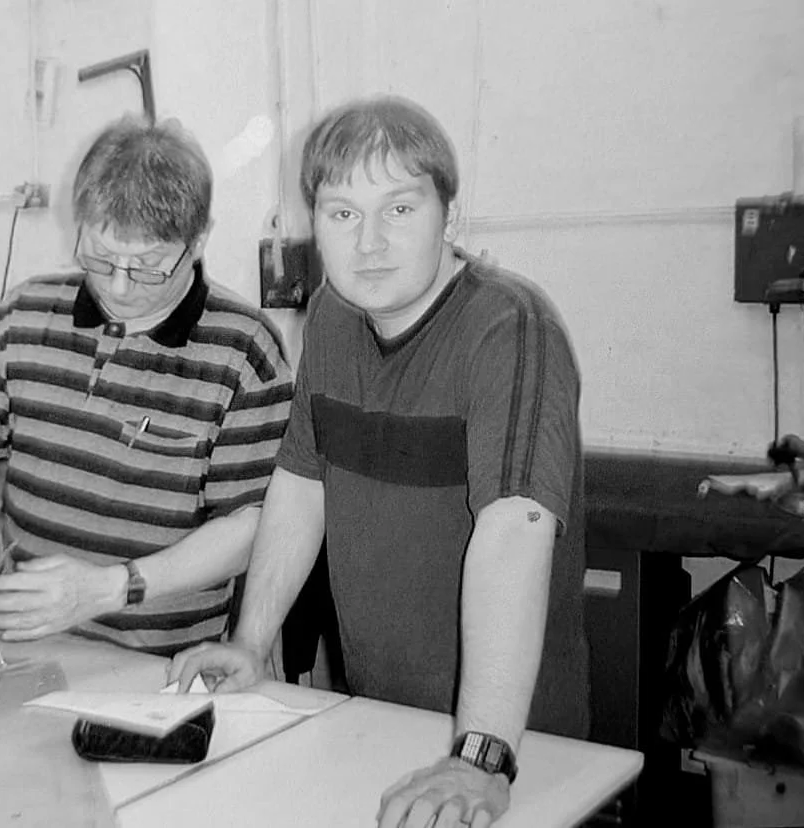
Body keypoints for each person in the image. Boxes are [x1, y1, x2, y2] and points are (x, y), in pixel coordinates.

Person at [169, 95, 590, 828]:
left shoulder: (510, 329)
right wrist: (251, 643)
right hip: (379, 721)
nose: (369, 243)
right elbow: (302, 485)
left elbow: (513, 531)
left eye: (398, 209)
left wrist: (480, 756)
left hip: (511, 746)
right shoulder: (333, 317)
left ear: (449, 216)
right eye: (342, 213)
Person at [0, 115, 294, 656]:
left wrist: (111, 588)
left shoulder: (244, 350)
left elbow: (249, 526)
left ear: (199, 239)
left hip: (159, 666)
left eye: (149, 266)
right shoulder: (22, 317)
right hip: (23, 646)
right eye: (101, 259)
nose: (121, 286)